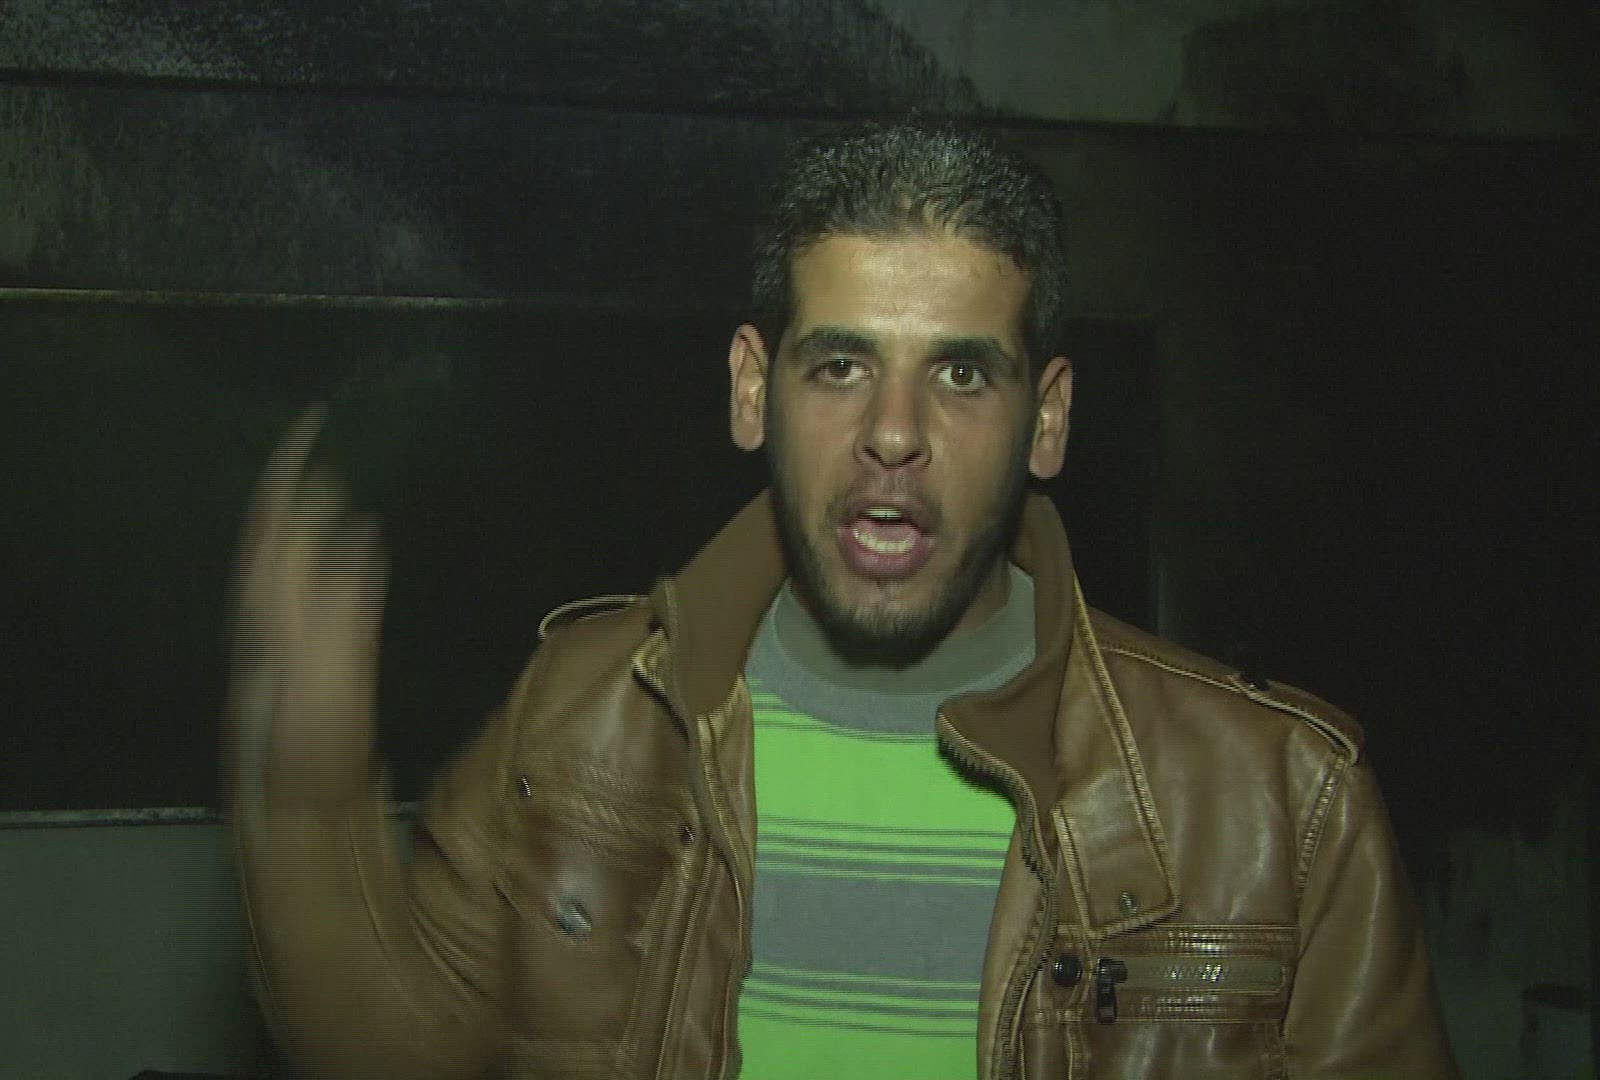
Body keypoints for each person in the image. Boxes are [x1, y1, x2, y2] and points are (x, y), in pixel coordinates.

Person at [226, 125, 1459, 1079]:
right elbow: (392, 1054)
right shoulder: (584, 717)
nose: (893, 432)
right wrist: (305, 784)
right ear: (752, 391)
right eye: (840, 364)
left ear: (1049, 419)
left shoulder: (1281, 802)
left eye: (961, 373)